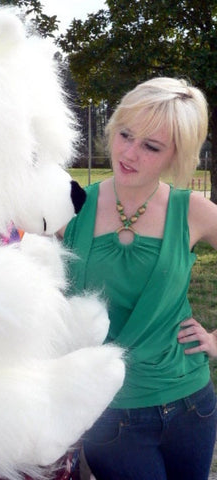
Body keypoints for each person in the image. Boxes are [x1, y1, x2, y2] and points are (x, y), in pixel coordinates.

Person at [58, 77, 217, 480]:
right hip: (111, 413)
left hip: (191, 405)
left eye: (151, 146)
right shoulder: (70, 204)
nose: (129, 154)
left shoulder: (193, 211)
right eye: (125, 135)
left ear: (174, 156)